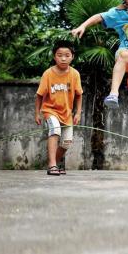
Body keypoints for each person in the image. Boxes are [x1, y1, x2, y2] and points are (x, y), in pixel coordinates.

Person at [35, 40, 83, 176]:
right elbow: (39, 95)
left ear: (72, 57)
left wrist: (78, 113)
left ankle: (54, 163)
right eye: (59, 55)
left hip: (67, 113)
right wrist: (37, 113)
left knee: (67, 142)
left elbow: (79, 95)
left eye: (67, 55)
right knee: (55, 130)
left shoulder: (75, 74)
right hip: (50, 110)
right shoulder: (48, 74)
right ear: (54, 56)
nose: (63, 58)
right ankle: (52, 165)